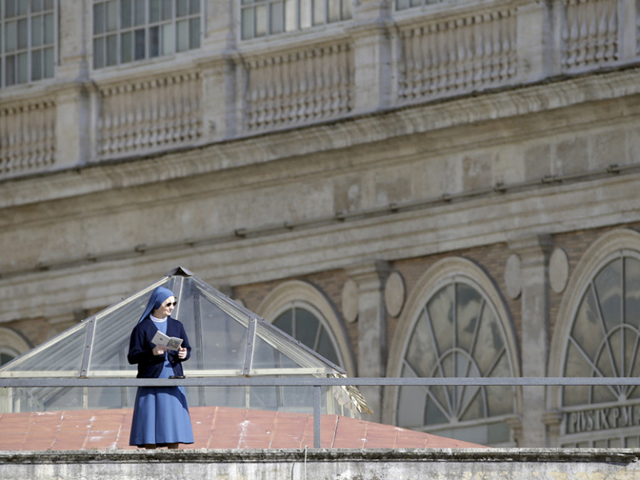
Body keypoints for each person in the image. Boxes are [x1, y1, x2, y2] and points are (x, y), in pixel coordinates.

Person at [128, 286, 194, 449]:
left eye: (174, 304)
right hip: (151, 380)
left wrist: (184, 354)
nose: (172, 307)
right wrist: (152, 352)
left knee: (172, 420)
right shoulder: (142, 328)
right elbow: (132, 357)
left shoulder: (177, 325)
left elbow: (187, 348)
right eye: (168, 304)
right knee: (150, 420)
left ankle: (173, 455)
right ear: (157, 304)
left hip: (172, 378)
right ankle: (150, 456)